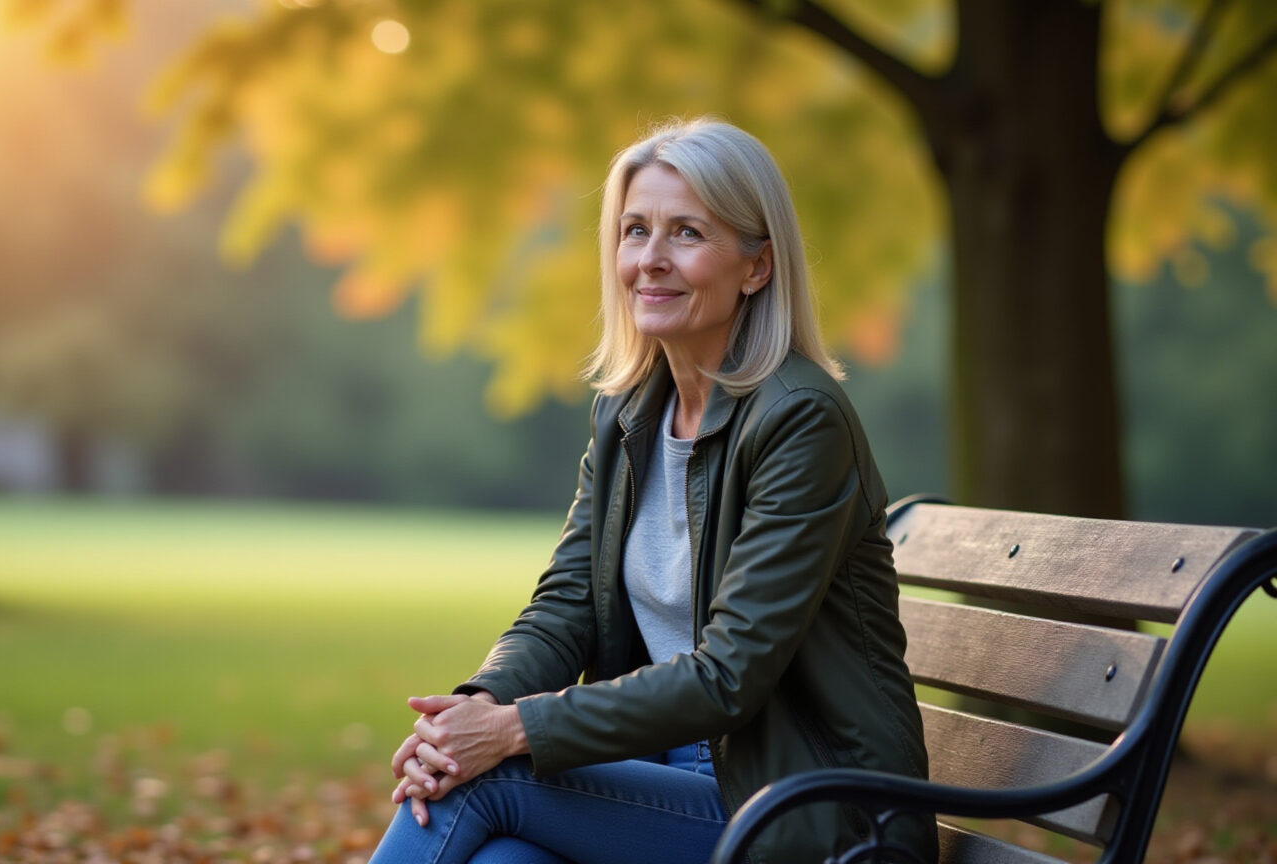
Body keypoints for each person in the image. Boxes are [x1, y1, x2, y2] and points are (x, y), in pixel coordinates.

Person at [368, 119, 935, 864]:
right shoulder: (629, 412)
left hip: (813, 810)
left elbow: (730, 675)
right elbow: (564, 606)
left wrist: (512, 733)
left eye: (687, 234)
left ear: (757, 267)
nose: (650, 261)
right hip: (678, 776)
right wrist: (475, 707)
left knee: (481, 782)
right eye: (635, 231)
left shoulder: (800, 421)